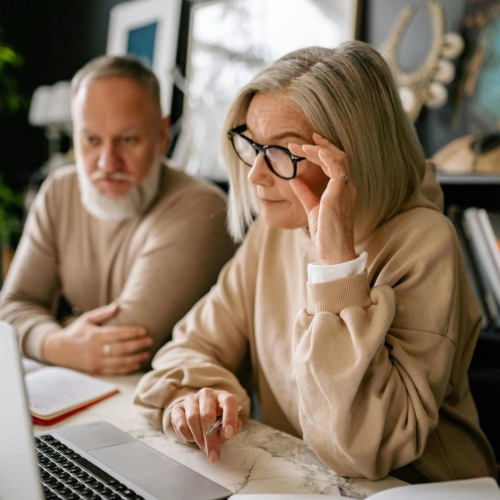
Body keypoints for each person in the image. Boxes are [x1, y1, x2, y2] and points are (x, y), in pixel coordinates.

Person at [133, 42, 497, 482]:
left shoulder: (424, 242)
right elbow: (189, 349)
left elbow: (363, 449)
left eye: (285, 152)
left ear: (355, 158)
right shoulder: (275, 230)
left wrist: (337, 267)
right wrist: (201, 396)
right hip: (307, 478)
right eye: (251, 143)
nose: (255, 174)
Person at [0, 55, 236, 375]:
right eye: (91, 140)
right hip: (94, 393)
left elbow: (125, 347)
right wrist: (57, 343)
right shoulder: (59, 190)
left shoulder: (202, 208)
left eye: (127, 139)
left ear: (162, 135)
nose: (107, 163)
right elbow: (11, 305)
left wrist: (49, 331)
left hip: (176, 404)